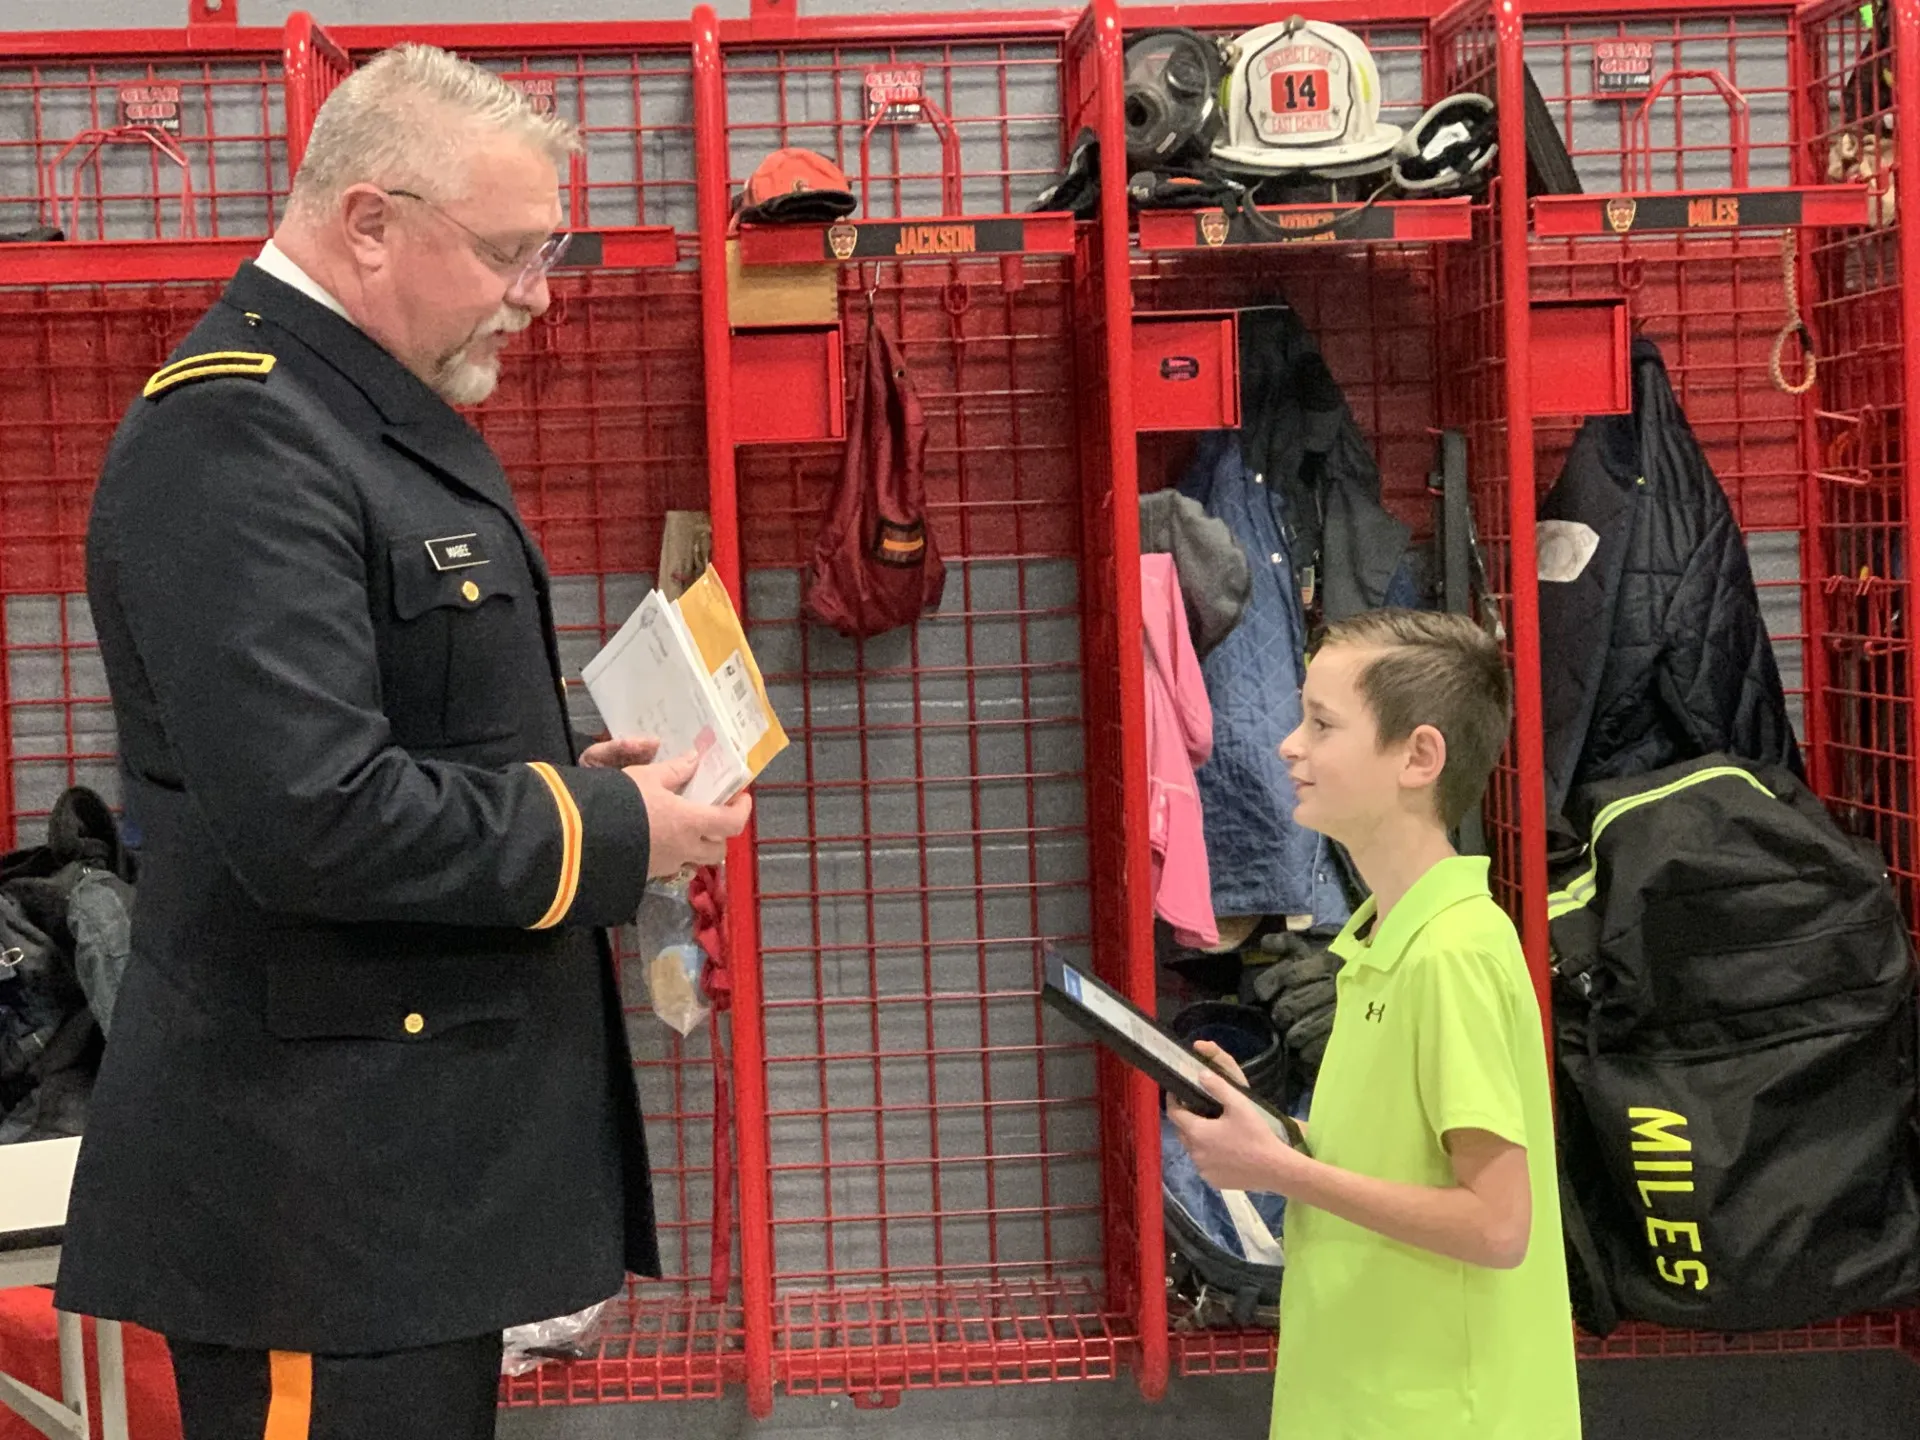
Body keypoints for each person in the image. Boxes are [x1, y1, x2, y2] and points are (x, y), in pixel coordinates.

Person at [55, 43, 750, 1440]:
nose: (537, 292)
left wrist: (569, 789)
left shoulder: (342, 414)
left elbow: (393, 738)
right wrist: (607, 834)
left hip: (393, 1186)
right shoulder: (240, 435)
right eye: (509, 252)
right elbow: (314, 812)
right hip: (315, 1201)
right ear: (370, 221)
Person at [1169, 608, 1581, 1439]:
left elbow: (1499, 1225)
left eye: (1322, 724)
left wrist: (1285, 1173)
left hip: (1445, 1417)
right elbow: (1398, 1163)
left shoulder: (1452, 955)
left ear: (1419, 757)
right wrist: (1275, 1137)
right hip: (1364, 1402)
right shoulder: (1379, 945)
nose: (1290, 746)